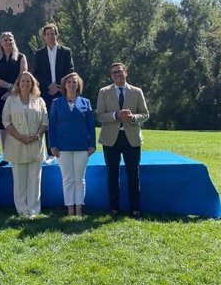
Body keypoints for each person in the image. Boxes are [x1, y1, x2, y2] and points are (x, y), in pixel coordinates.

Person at [96, 62, 149, 219]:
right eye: (114, 73)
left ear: (126, 72)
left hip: (131, 138)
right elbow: (99, 115)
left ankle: (135, 209)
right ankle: (114, 208)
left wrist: (133, 117)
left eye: (119, 71)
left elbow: (145, 114)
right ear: (110, 76)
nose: (117, 74)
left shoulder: (137, 91)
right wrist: (115, 115)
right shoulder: (103, 92)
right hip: (111, 139)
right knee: (112, 174)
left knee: (134, 174)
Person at [48, 72, 96, 216]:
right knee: (67, 179)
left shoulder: (86, 102)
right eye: (69, 82)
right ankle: (70, 209)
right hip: (62, 147)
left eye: (74, 82)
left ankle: (79, 209)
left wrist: (92, 143)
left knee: (79, 179)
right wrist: (52, 145)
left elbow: (90, 125)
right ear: (64, 85)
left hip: (82, 145)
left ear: (78, 85)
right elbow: (52, 125)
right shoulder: (56, 103)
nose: (71, 84)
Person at [1, 71, 48, 217]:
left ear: (32, 83)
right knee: (20, 179)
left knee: (34, 179)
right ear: (18, 83)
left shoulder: (39, 100)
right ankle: (22, 210)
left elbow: (45, 121)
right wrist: (19, 136)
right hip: (16, 143)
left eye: (28, 81)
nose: (25, 83)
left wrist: (37, 135)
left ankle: (33, 210)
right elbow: (6, 121)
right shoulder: (11, 100)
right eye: (23, 81)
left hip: (35, 143)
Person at [33, 23, 74, 159]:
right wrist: (48, 86)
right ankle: (50, 153)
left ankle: (64, 150)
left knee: (63, 121)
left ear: (57, 35)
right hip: (46, 93)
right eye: (48, 34)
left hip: (63, 91)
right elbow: (37, 73)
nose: (51, 36)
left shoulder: (66, 52)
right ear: (44, 37)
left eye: (53, 33)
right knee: (47, 121)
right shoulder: (39, 54)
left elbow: (70, 71)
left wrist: (58, 85)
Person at [0, 32, 27, 166]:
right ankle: (6, 156)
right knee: (3, 126)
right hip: (0, 95)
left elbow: (23, 75)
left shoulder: (21, 57)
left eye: (10, 40)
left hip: (19, 93)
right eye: (5, 40)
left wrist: (12, 91)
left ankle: (20, 153)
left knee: (18, 124)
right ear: (1, 43)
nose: (8, 42)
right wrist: (9, 87)